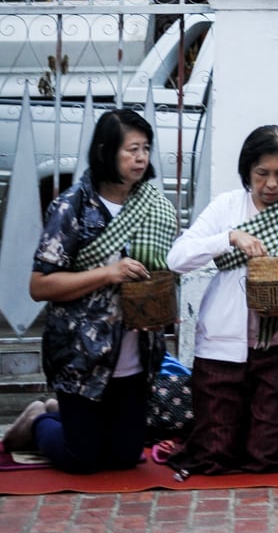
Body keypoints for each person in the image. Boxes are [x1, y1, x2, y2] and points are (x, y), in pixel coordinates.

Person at [1, 109, 176, 472]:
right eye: (131, 149)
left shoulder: (152, 205)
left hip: (135, 356)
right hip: (83, 358)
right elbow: (40, 285)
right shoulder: (72, 207)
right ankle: (38, 422)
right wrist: (108, 273)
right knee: (83, 459)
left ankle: (60, 416)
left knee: (126, 458)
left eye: (145, 149)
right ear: (105, 152)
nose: (141, 157)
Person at [166, 124, 278, 474]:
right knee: (215, 453)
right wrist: (228, 238)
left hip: (277, 347)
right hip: (222, 345)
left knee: (268, 455)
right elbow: (177, 258)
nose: (272, 184)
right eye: (262, 174)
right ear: (247, 171)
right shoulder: (226, 207)